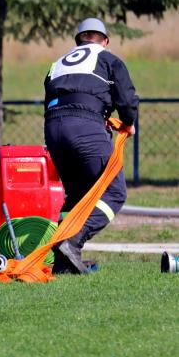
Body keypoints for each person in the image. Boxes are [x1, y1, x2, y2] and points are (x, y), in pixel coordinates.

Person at [44, 18, 138, 274]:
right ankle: (72, 241)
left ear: (78, 41)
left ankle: (63, 263)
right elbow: (126, 100)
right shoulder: (109, 60)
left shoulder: (57, 64)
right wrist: (128, 123)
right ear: (104, 41)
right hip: (84, 128)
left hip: (53, 130)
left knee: (77, 197)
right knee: (114, 193)